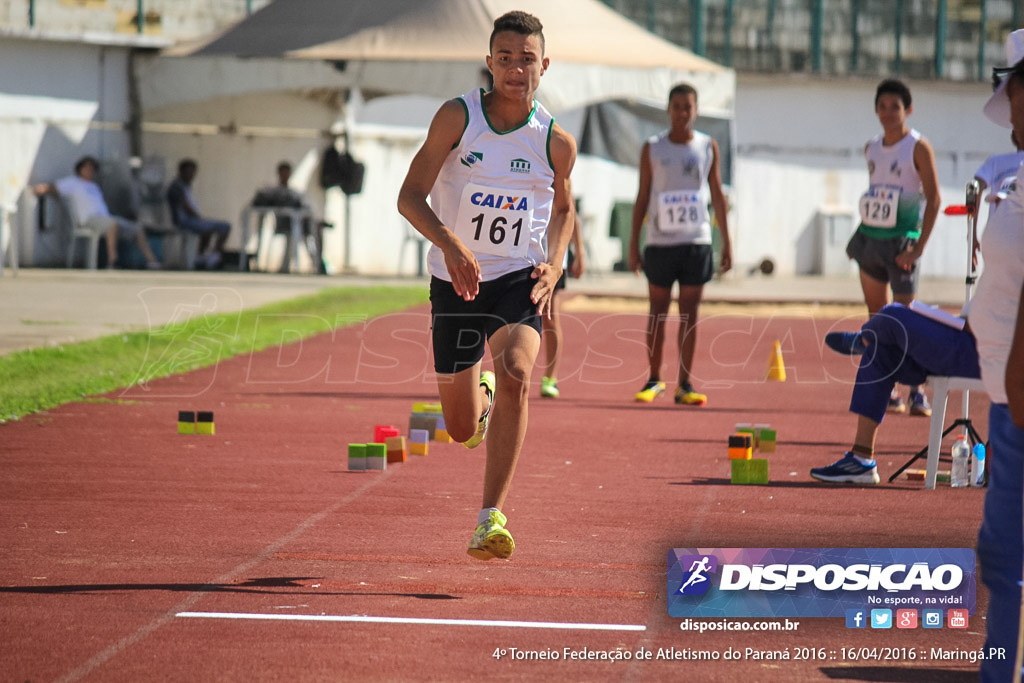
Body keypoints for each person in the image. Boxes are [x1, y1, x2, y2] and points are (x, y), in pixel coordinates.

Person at [396, 11, 576, 561]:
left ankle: (489, 517)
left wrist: (556, 261)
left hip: (516, 280)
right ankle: (480, 403)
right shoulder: (457, 117)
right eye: (505, 58)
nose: (516, 69)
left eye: (527, 59)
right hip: (454, 284)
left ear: (543, 65)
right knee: (456, 428)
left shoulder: (555, 142)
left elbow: (566, 208)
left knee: (520, 372)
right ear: (490, 61)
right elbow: (409, 197)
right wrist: (451, 246)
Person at [628, 83, 732, 407]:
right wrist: (634, 243)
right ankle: (654, 378)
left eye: (688, 107)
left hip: (696, 241)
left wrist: (727, 242)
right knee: (657, 311)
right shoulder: (653, 148)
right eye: (677, 106)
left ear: (696, 110)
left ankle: (684, 382)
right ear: (668, 109)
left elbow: (717, 195)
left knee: (690, 315)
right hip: (660, 243)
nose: (682, 113)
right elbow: (643, 195)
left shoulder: (707, 146)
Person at [973, 29, 1024, 683]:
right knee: (1002, 554)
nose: (1007, 111)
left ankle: (996, 672)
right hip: (1009, 393)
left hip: (1019, 398)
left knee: (1005, 553)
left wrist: (1014, 391)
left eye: (1010, 97)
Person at [847, 78, 941, 416]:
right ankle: (889, 390)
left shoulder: (918, 147)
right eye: (882, 107)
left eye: (895, 107)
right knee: (877, 319)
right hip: (871, 243)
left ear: (908, 110)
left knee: (905, 320)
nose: (888, 113)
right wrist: (858, 240)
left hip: (903, 243)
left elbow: (934, 200)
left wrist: (918, 248)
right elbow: (876, 196)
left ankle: (917, 390)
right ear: (876, 110)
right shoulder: (871, 148)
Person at [810, 303, 980, 484]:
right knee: (878, 353)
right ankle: (861, 459)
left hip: (981, 350)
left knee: (893, 315)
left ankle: (864, 339)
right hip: (969, 342)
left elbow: (994, 326)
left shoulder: (1013, 278)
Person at [33, 156, 161, 270]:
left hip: (105, 218)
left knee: (136, 228)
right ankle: (113, 262)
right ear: (80, 169)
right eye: (87, 168)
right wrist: (38, 189)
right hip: (89, 220)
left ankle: (152, 261)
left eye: (92, 169)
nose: (90, 171)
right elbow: (53, 187)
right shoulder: (72, 182)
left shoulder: (94, 186)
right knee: (112, 224)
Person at [251, 161, 327, 274]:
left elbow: (305, 207)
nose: (285, 175)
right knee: (301, 230)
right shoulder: (272, 191)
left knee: (315, 227)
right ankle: (288, 266)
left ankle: (318, 263)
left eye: (287, 173)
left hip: (299, 223)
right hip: (285, 224)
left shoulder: (294, 192)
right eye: (283, 173)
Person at [539, 212, 584, 398]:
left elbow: (570, 213)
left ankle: (550, 377)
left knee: (550, 318)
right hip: (521, 257)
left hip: (553, 261)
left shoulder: (558, 183)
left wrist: (580, 252)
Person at [166, 159, 231, 270]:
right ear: (181, 172)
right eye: (188, 172)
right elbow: (186, 208)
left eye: (193, 173)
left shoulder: (186, 186)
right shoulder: (176, 187)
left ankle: (212, 257)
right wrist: (199, 217)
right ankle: (201, 257)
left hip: (193, 219)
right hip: (184, 221)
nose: (191, 175)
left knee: (223, 226)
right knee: (207, 227)